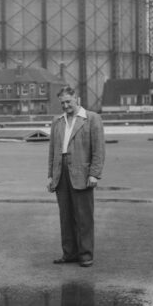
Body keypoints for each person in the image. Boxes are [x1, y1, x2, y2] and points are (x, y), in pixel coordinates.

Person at [47, 85, 105, 267]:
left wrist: (94, 174)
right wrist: (50, 176)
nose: (65, 106)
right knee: (65, 216)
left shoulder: (92, 119)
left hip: (82, 172)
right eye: (62, 103)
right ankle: (69, 253)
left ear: (77, 99)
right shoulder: (57, 122)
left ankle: (86, 255)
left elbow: (99, 150)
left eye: (68, 102)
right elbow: (52, 151)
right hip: (61, 173)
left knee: (84, 217)